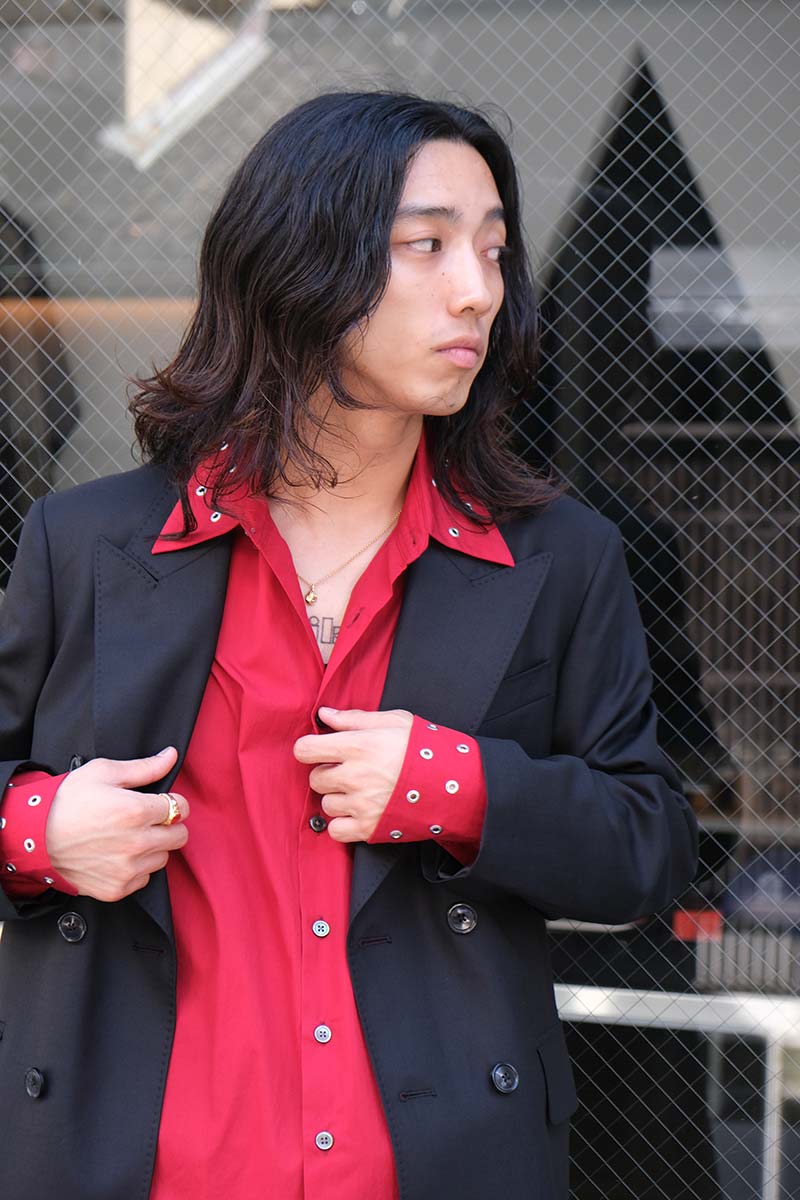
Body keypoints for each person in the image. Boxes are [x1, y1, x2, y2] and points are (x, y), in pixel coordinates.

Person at [0, 91, 698, 1200]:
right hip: (128, 1167)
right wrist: (38, 831)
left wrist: (457, 788)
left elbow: (649, 847)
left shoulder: (560, 556)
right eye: (426, 245)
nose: (478, 290)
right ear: (298, 259)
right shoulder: (85, 544)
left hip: (451, 1167)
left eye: (493, 251)